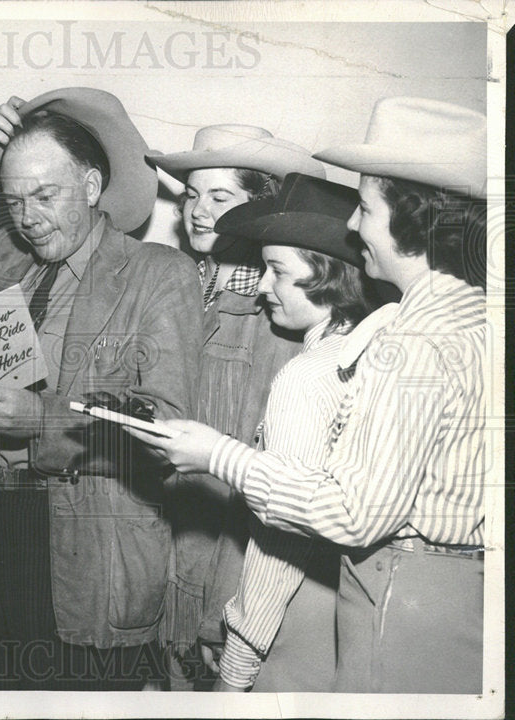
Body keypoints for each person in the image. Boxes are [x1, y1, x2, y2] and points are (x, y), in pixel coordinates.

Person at [126, 96, 487, 693]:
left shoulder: (411, 342)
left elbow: (353, 513)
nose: (353, 225)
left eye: (366, 208)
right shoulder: (470, 318)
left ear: (410, 218)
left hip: (403, 587)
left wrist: (217, 454)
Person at [0, 87, 203, 690]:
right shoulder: (3, 261)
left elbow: (164, 421)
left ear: (93, 187)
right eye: (14, 200)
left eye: (46, 196)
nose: (28, 216)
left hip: (87, 539)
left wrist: (41, 420)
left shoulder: (156, 273)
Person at [145, 126, 324, 688]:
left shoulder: (277, 324)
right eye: (191, 195)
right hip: (159, 569)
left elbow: (263, 487)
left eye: (220, 198)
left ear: (262, 209)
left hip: (224, 590)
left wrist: (222, 620)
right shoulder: (175, 289)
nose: (199, 211)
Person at [207, 173, 376, 691]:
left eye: (276, 270)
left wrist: (236, 666)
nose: (260, 286)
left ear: (326, 274)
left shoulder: (307, 375)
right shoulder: (368, 355)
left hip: (293, 617)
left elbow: (279, 543)